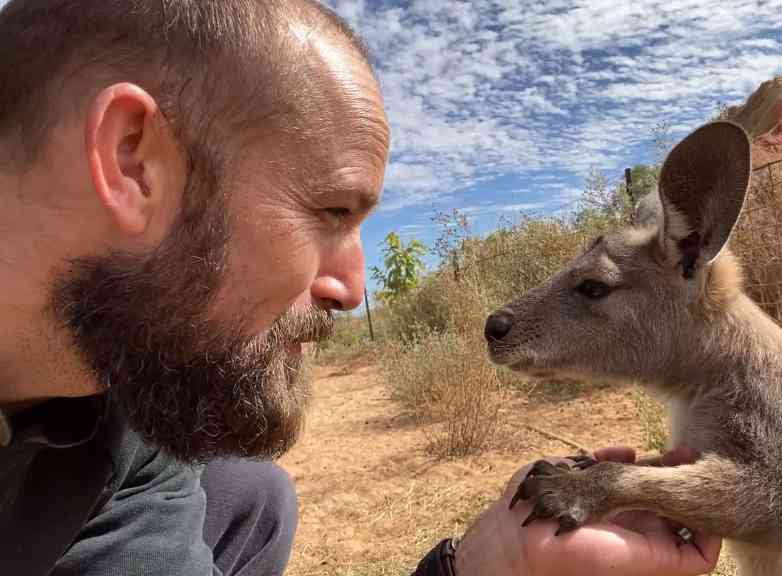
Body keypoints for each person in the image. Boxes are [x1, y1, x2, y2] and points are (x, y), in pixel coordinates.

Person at [0, 1, 722, 575]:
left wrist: (490, 563)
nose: (351, 286)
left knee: (251, 495)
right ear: (133, 163)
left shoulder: (119, 416)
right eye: (330, 211)